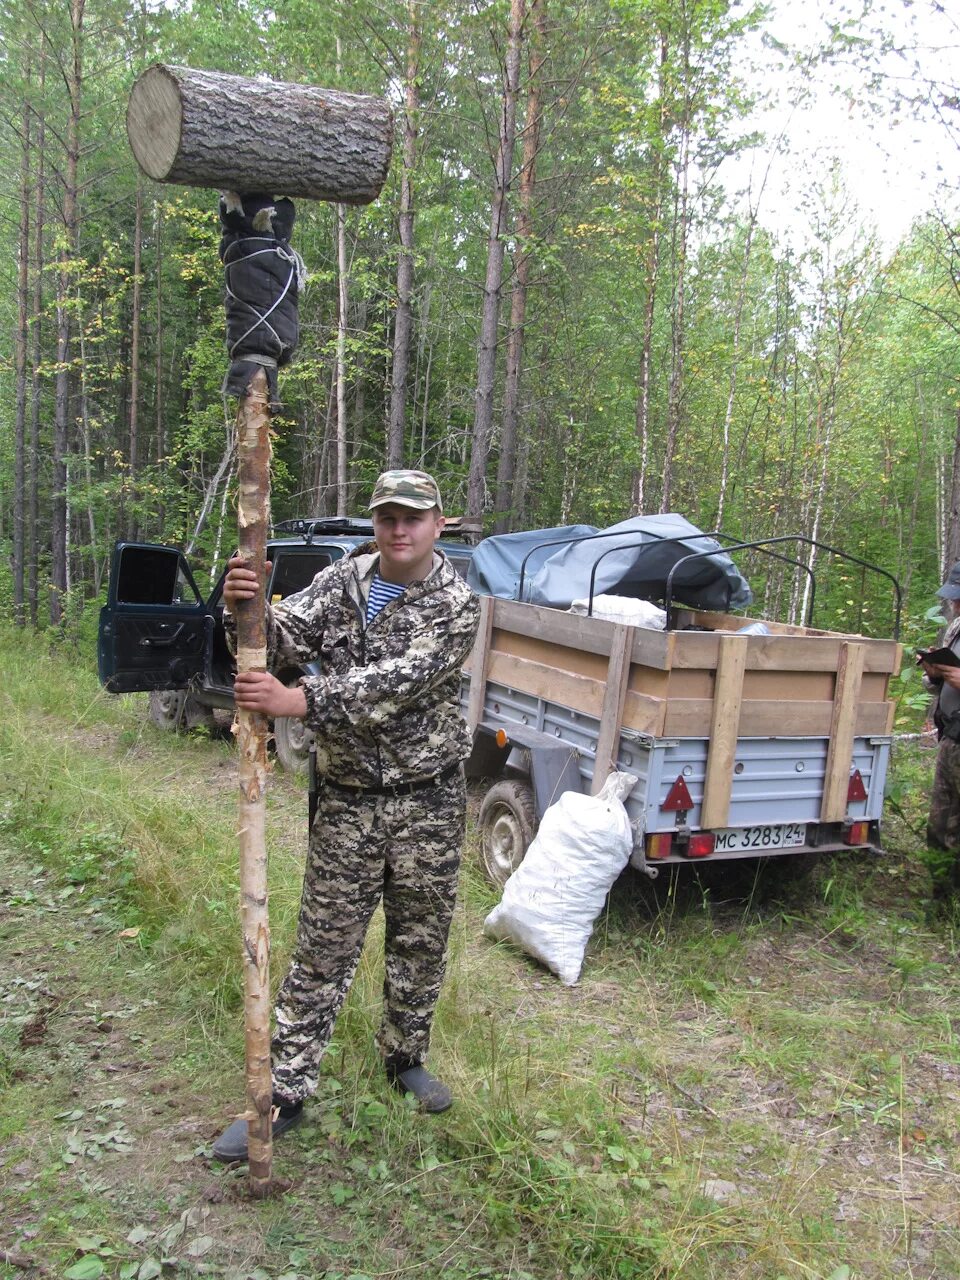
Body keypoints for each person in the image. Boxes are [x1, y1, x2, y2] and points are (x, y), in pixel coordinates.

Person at [212, 470, 481, 1163]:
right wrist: (244, 605)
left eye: (413, 517)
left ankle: (404, 1059)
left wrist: (298, 702)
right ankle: (286, 1092)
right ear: (374, 522)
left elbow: (395, 684)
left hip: (428, 801)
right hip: (350, 800)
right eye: (388, 516)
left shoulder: (457, 605)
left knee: (419, 940)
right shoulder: (342, 583)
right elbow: (281, 639)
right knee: (323, 945)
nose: (400, 530)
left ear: (439, 523)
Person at [919, 560, 960, 897]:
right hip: (951, 738)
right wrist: (933, 673)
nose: (955, 604)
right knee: (939, 823)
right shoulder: (956, 628)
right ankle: (941, 900)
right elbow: (937, 686)